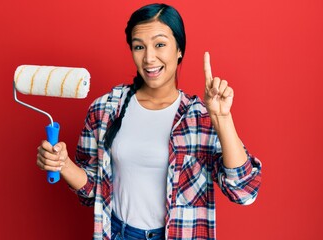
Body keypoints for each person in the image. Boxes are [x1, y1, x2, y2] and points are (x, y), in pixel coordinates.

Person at [37, 3, 262, 240]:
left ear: (179, 50)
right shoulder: (105, 109)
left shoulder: (200, 117)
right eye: (139, 46)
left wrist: (222, 118)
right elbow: (92, 193)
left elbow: (244, 191)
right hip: (117, 233)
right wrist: (62, 164)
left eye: (160, 44)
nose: (149, 58)